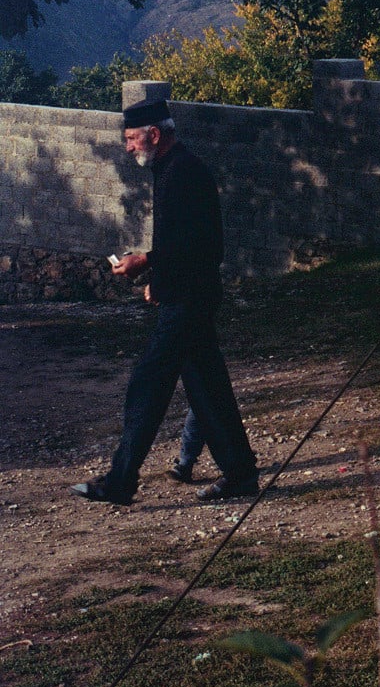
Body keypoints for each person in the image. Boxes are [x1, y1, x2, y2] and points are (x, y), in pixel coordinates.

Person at [72, 99, 258, 505]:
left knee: (147, 386)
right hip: (189, 295)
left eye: (132, 139)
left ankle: (121, 481)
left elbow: (203, 246)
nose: (128, 148)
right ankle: (241, 474)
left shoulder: (182, 173)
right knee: (208, 389)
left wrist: (147, 263)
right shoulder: (174, 169)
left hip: (189, 301)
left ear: (154, 134)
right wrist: (157, 275)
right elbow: (183, 245)